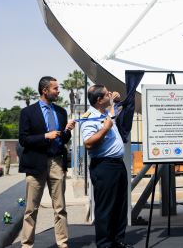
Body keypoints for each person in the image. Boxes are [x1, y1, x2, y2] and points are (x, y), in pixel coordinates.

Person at [18, 76, 76, 248]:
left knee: (60, 208)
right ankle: (27, 245)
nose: (58, 91)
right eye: (55, 88)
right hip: (36, 165)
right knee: (31, 209)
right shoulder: (27, 112)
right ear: (45, 90)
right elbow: (23, 139)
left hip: (57, 163)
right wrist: (45, 136)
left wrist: (67, 131)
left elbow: (64, 138)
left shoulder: (61, 112)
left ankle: (63, 243)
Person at [80, 84, 132, 248]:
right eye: (107, 93)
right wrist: (105, 129)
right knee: (106, 207)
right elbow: (88, 143)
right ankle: (104, 244)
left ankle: (118, 241)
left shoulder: (104, 113)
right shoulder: (90, 117)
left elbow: (115, 113)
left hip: (117, 165)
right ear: (99, 99)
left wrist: (114, 102)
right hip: (104, 166)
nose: (111, 93)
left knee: (120, 205)